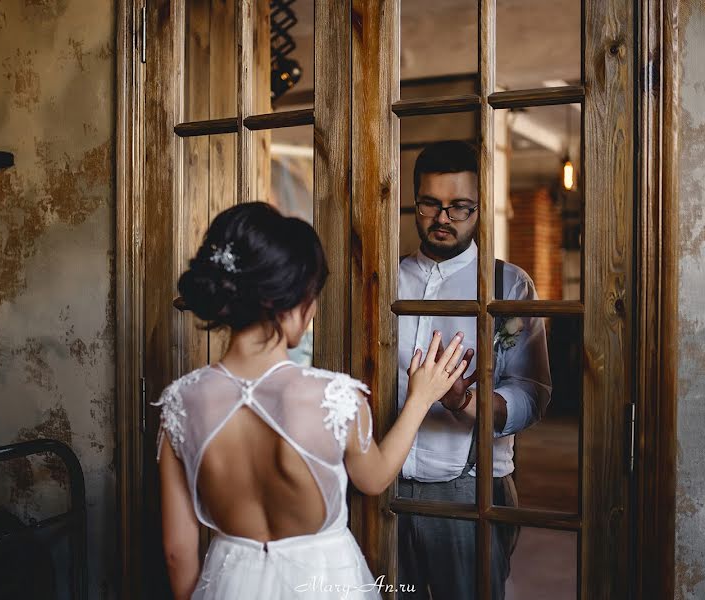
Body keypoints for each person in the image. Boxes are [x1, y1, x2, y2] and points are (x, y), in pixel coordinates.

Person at [155, 201, 470, 599]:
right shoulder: (334, 397)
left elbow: (176, 553)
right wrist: (421, 398)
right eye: (312, 295)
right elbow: (373, 480)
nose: (315, 309)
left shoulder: (180, 403)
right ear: (288, 302)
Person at [397, 141, 553, 599]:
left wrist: (465, 402)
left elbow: (532, 392)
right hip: (384, 487)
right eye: (430, 204)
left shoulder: (509, 284)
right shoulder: (386, 278)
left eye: (459, 207)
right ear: (414, 201)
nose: (443, 219)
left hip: (471, 490)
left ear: (479, 208)